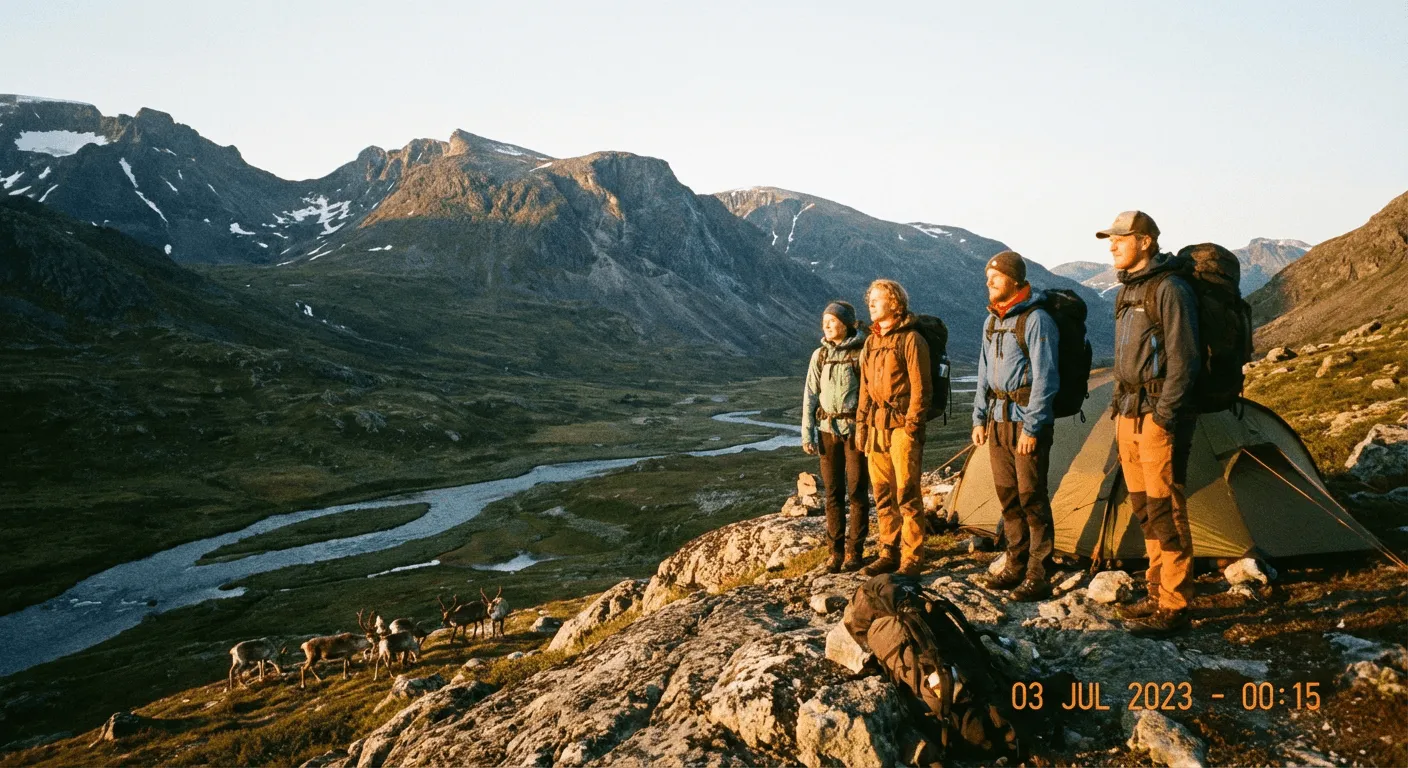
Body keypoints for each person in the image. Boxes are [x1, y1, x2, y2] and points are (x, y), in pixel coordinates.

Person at [1098, 210, 1200, 637]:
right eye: (1111, 239)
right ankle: (1156, 590)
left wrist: (1163, 417)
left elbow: (1185, 360)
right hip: (1128, 414)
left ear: (1145, 241)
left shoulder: (1169, 289)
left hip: (1156, 416)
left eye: (1120, 238)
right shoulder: (1127, 292)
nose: (1112, 245)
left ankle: (1175, 604)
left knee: (1166, 508)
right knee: (1144, 508)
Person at [971, 251, 1060, 602]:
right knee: (1008, 496)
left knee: (1031, 497)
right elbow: (982, 374)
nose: (989, 282)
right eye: (987, 277)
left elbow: (1046, 379)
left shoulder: (1037, 320)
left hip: (1025, 422)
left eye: (995, 276)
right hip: (997, 422)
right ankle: (1016, 562)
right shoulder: (991, 321)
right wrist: (979, 418)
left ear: (1014, 279)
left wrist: (1033, 428)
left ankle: (1039, 571)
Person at [855, 279, 931, 578]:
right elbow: (864, 388)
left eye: (877, 299)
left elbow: (921, 389)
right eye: (869, 300)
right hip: (876, 427)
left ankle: (912, 557)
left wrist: (912, 426)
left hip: (901, 427)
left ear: (895, 303)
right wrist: (861, 425)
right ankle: (889, 551)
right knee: (883, 493)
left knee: (907, 494)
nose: (871, 304)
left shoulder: (911, 340)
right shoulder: (872, 341)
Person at [802, 301, 870, 573]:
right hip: (827, 431)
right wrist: (807, 432)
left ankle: (855, 551)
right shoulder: (819, 355)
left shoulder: (863, 353)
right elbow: (810, 396)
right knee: (832, 493)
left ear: (846, 323)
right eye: (824, 322)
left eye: (831, 321)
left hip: (855, 432)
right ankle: (835, 552)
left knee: (856, 492)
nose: (826, 326)